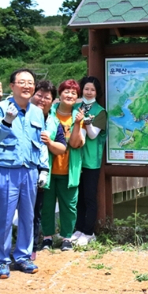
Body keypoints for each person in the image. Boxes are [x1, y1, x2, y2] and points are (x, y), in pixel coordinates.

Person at [0, 69, 50, 279]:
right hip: (6, 170)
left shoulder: (37, 111)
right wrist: (7, 120)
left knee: (27, 216)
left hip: (30, 171)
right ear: (12, 85)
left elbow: (41, 144)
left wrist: (44, 169)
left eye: (30, 83)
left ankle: (23, 256)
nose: (27, 86)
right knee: (4, 217)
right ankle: (2, 260)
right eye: (22, 82)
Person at [40, 79, 85, 251]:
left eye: (74, 93)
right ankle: (47, 237)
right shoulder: (48, 113)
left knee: (69, 206)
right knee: (47, 205)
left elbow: (75, 144)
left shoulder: (78, 115)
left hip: (69, 168)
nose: (70, 95)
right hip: (49, 168)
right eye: (67, 91)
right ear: (59, 94)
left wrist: (78, 124)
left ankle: (67, 237)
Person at [29, 80, 67, 259]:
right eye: (39, 95)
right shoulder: (22, 114)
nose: (42, 100)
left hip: (41, 173)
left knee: (36, 211)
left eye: (47, 97)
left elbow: (62, 147)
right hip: (19, 170)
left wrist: (50, 142)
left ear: (52, 101)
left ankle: (31, 249)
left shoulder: (53, 122)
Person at [72, 76, 108, 246]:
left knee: (89, 197)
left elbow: (93, 134)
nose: (88, 92)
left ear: (97, 92)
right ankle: (77, 229)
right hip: (75, 158)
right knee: (77, 196)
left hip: (91, 161)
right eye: (86, 88)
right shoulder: (75, 107)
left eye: (92, 89)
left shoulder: (101, 111)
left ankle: (89, 232)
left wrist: (85, 122)